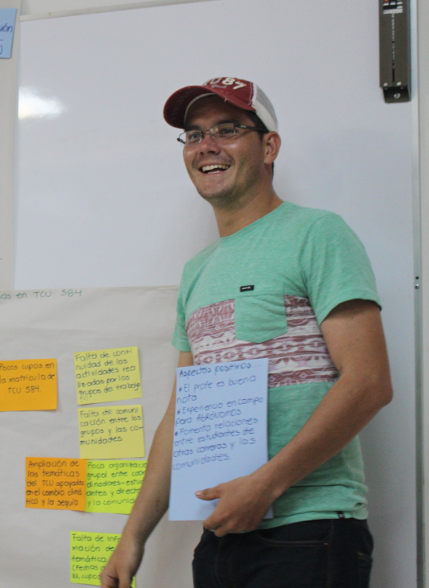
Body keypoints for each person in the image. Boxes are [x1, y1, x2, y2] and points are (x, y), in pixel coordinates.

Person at [100, 78, 393, 588]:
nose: (207, 146)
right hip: (221, 536)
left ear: (270, 145)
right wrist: (132, 538)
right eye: (194, 135)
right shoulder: (197, 272)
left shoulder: (317, 234)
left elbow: (369, 382)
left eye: (228, 129)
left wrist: (266, 486)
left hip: (310, 530)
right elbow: (183, 416)